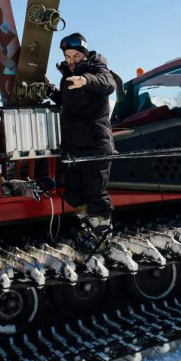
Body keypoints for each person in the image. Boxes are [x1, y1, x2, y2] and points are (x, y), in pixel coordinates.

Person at [47, 33, 117, 244]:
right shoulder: (67, 77)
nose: (71, 60)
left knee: (95, 194)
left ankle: (103, 238)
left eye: (76, 55)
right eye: (68, 56)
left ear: (84, 54)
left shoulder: (97, 68)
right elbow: (67, 103)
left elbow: (108, 84)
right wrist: (51, 89)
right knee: (75, 193)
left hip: (95, 144)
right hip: (74, 146)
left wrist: (85, 80)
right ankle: (89, 228)